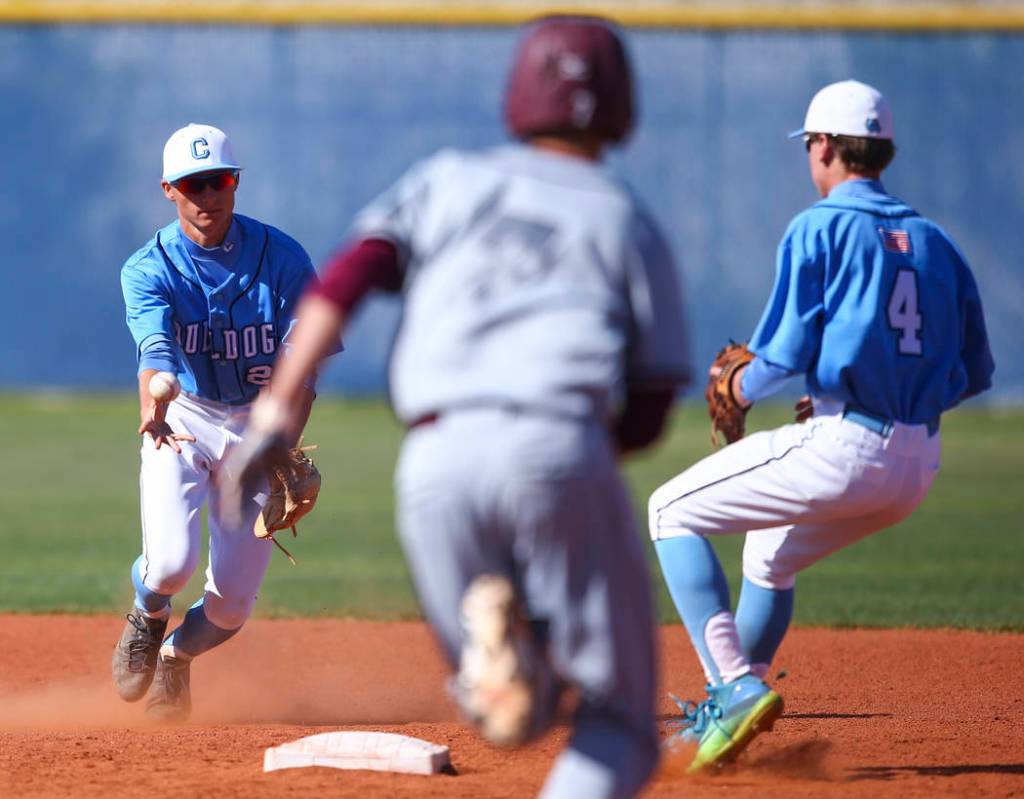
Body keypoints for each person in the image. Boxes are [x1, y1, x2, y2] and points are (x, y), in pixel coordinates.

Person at [224, 16, 692, 798]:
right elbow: (649, 409)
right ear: (622, 105)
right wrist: (563, 470)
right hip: (559, 439)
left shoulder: (449, 179)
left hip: (435, 460)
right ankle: (530, 644)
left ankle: (507, 652)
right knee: (617, 727)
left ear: (519, 93)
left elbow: (345, 278)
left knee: (520, 709)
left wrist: (273, 414)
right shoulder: (627, 218)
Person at [649, 79, 995, 773]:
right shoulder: (937, 243)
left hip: (846, 447)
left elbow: (782, 357)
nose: (811, 156)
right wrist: (893, 397)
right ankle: (730, 716)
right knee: (769, 555)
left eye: (811, 145)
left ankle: (735, 687)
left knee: (668, 510)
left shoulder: (821, 224)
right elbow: (974, 372)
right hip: (915, 464)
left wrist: (738, 387)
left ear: (828, 147)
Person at [113, 123, 323, 722]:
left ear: (235, 184)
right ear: (168, 190)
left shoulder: (282, 259)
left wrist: (281, 442)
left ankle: (176, 658)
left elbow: (300, 367)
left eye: (220, 181)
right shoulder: (147, 267)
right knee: (171, 565)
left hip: (258, 428)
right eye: (193, 184)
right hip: (185, 418)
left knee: (230, 608)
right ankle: (148, 614)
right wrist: (151, 412)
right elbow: (154, 353)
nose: (208, 196)